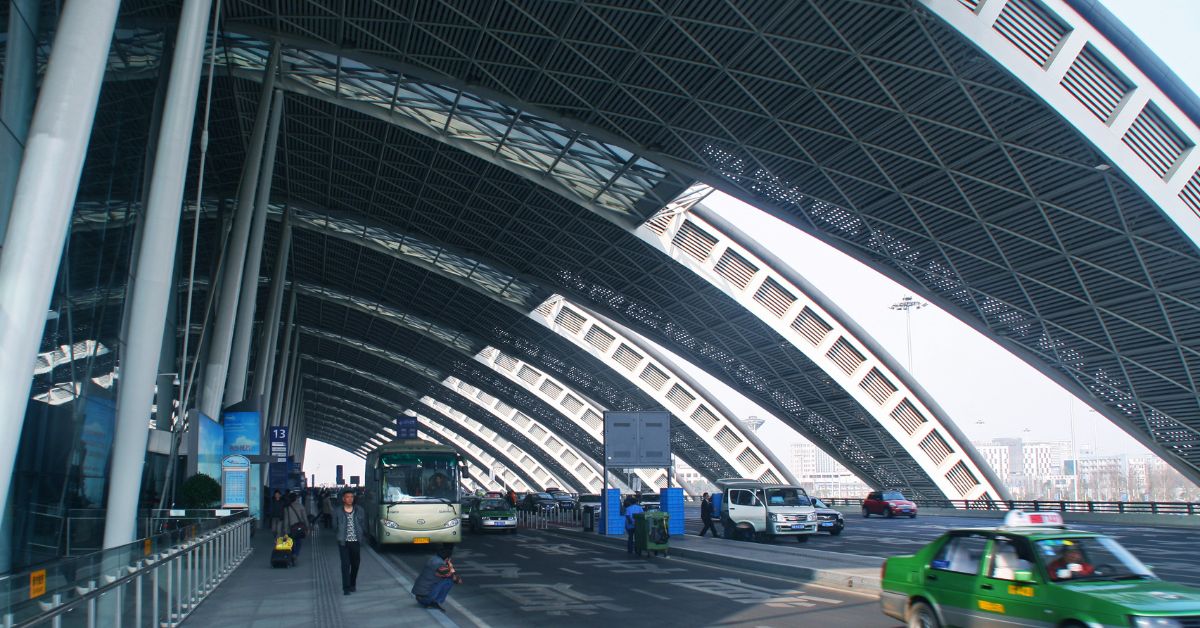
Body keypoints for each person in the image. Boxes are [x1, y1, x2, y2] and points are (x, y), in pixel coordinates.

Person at [411, 544, 463, 611]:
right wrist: (450, 566)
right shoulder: (440, 565)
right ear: (447, 558)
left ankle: (431, 600)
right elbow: (456, 579)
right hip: (424, 599)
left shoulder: (434, 559)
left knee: (444, 578)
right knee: (449, 581)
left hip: (419, 596)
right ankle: (435, 601)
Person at [335, 488, 367, 595]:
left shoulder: (359, 510)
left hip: (355, 541)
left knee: (355, 564)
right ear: (343, 499)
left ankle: (353, 583)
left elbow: (363, 523)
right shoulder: (338, 510)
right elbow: (334, 525)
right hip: (343, 542)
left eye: (351, 497)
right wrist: (339, 535)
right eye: (347, 497)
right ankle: (346, 588)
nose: (350, 499)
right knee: (345, 565)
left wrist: (361, 534)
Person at [282, 493, 308, 559]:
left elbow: (286, 520)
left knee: (291, 541)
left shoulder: (287, 507)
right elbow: (305, 518)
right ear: (296, 498)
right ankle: (296, 554)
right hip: (299, 527)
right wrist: (307, 527)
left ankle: (293, 554)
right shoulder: (301, 506)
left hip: (290, 528)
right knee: (298, 541)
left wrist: (285, 530)